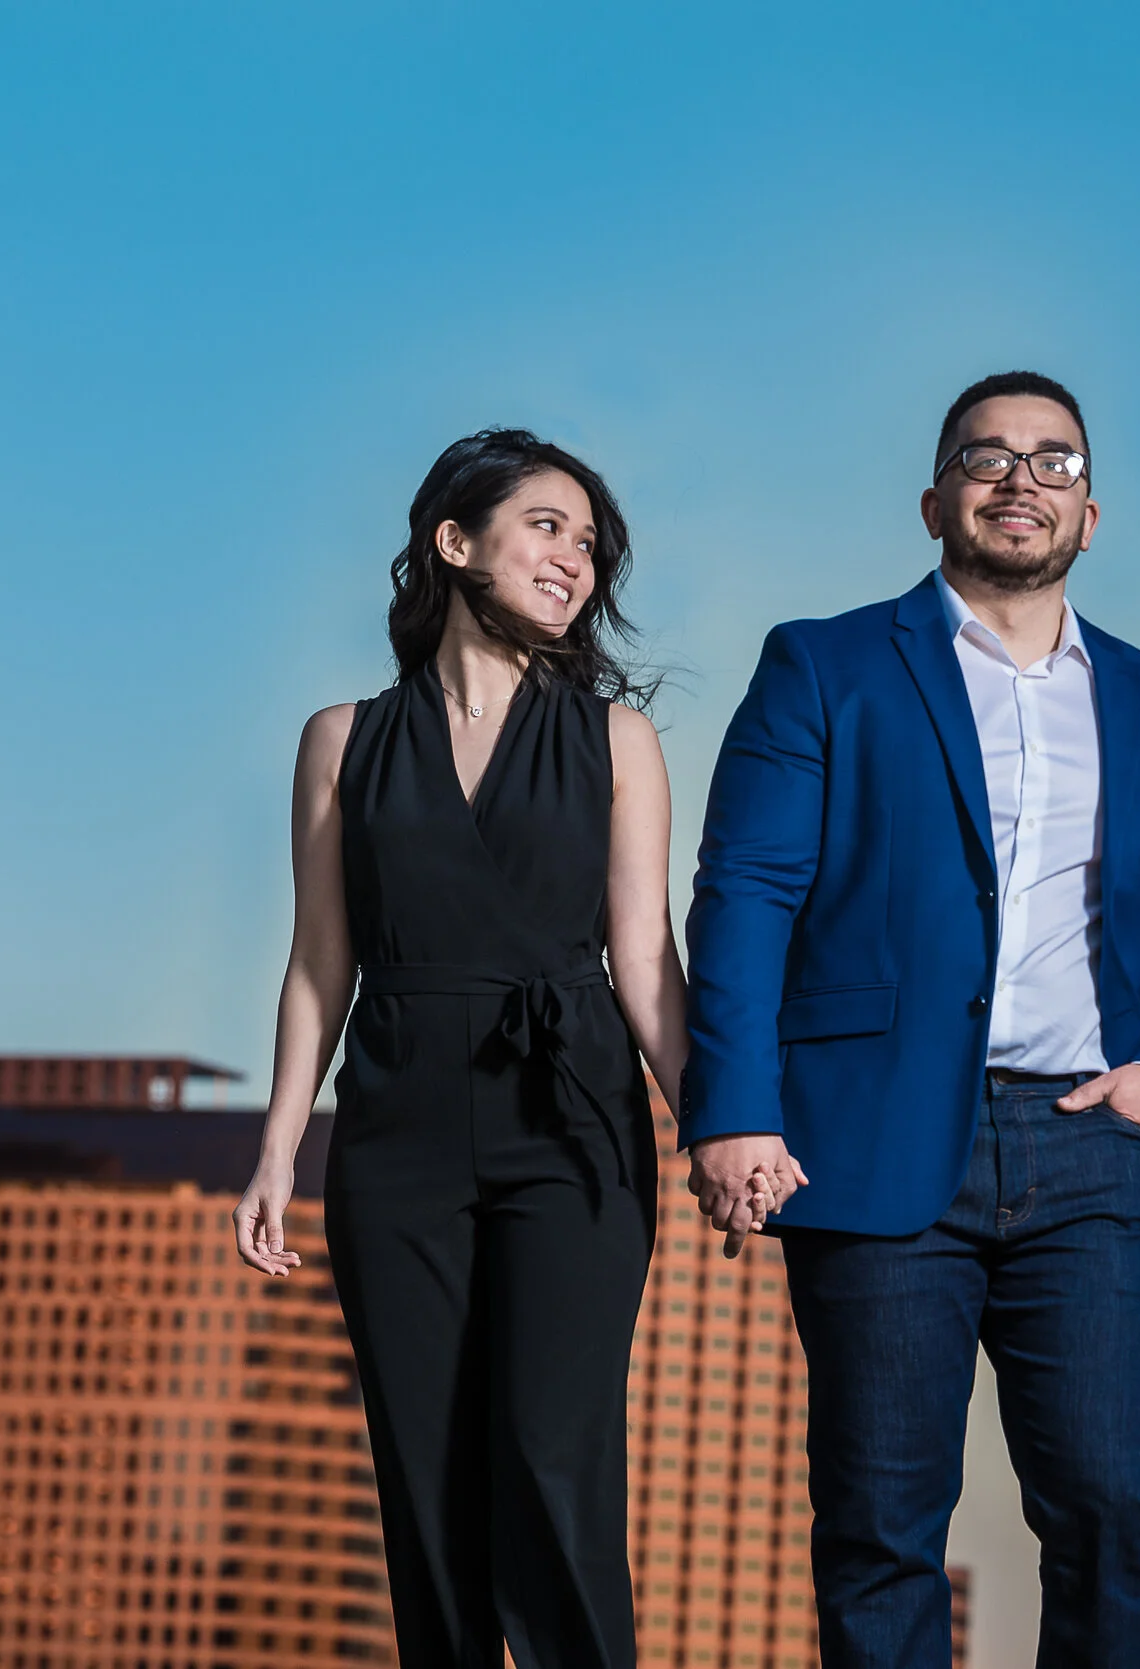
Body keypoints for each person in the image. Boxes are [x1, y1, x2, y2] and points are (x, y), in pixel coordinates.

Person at [680, 372, 1140, 1667]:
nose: (1022, 479)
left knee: (1115, 1511)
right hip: (877, 1140)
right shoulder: (825, 664)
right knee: (882, 1521)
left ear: (1092, 510)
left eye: (1052, 460)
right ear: (936, 497)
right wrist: (732, 1112)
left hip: (1095, 1146)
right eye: (988, 456)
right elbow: (745, 895)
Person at [232, 429, 774, 1669]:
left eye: (589, 543)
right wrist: (278, 1149)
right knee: (422, 1470)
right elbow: (321, 957)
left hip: (569, 1113)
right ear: (454, 540)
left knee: (550, 1451)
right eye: (547, 526)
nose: (574, 558)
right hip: (396, 1123)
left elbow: (643, 958)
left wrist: (713, 1127)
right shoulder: (341, 740)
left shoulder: (614, 742)